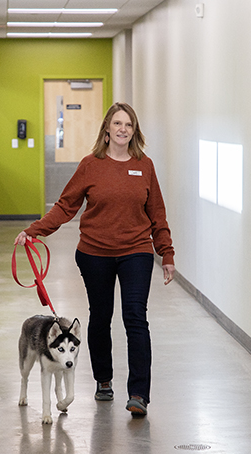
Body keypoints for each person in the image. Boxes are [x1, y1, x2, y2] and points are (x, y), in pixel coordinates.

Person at [14, 102, 175, 417]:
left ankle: (139, 393)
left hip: (136, 251)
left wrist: (165, 252)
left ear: (134, 131)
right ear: (106, 129)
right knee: (100, 317)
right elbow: (66, 205)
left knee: (135, 319)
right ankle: (104, 380)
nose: (122, 129)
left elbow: (157, 212)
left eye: (128, 125)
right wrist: (34, 231)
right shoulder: (90, 165)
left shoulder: (145, 166)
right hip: (94, 252)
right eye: (117, 123)